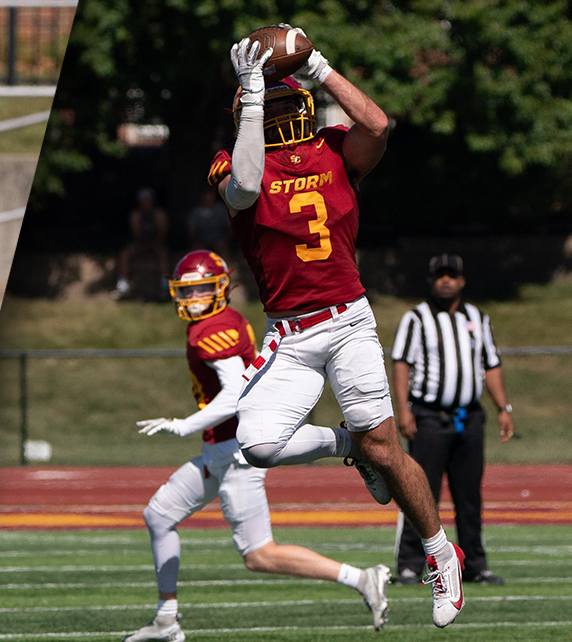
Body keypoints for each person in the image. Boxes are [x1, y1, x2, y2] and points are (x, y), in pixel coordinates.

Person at [206, 26, 465, 628]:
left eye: (260, 102)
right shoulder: (233, 161)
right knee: (259, 444)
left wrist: (320, 66)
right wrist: (249, 98)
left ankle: (439, 552)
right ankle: (349, 445)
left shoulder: (332, 149)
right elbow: (244, 191)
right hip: (290, 335)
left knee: (389, 448)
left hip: (347, 320)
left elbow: (379, 125)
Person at [122, 250, 391, 642]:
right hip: (219, 453)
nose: (192, 298)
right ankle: (166, 620)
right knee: (159, 516)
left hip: (235, 456)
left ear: (219, 289)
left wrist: (184, 426)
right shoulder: (217, 322)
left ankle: (362, 578)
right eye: (187, 291)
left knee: (259, 555)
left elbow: (233, 394)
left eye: (200, 289)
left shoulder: (211, 329)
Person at [391, 253, 514, 586]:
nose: (446, 280)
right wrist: (403, 410)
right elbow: (401, 363)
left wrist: (503, 407)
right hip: (429, 417)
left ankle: (475, 564)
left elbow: (491, 365)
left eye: (452, 275)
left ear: (462, 280)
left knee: (469, 495)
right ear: (432, 280)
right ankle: (409, 564)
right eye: (440, 275)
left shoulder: (477, 317)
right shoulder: (416, 318)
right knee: (419, 493)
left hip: (469, 419)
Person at [113, 187, 170, 299]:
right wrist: (143, 246)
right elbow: (136, 234)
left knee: (163, 253)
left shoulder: (159, 214)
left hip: (156, 243)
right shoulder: (135, 215)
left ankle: (165, 285)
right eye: (144, 200)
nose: (146, 203)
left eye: (148, 200)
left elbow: (162, 233)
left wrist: (154, 245)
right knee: (125, 254)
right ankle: (122, 285)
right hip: (140, 243)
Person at [185, 188, 231, 255]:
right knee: (196, 250)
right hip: (202, 241)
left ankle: (226, 265)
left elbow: (229, 227)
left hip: (219, 240)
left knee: (222, 249)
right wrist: (194, 243)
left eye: (210, 195)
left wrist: (225, 241)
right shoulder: (195, 211)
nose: (208, 197)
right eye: (206, 195)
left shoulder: (221, 209)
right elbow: (191, 231)